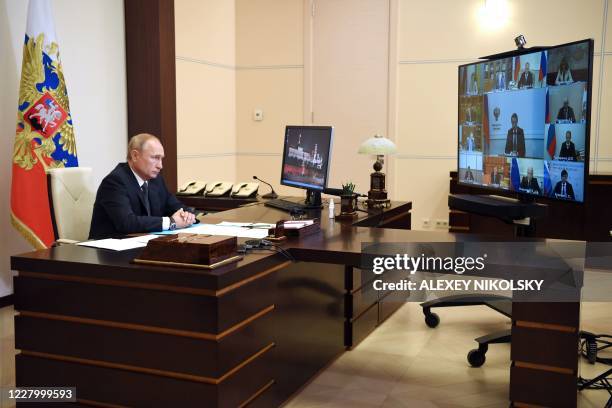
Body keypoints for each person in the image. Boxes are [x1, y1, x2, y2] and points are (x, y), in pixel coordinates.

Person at [89, 133, 196, 239]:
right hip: (111, 249)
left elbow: (176, 206)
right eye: (155, 158)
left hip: (145, 244)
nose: (160, 166)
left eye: (161, 159)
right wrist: (171, 222)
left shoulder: (156, 180)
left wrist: (187, 215)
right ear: (135, 156)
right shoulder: (115, 182)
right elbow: (126, 222)